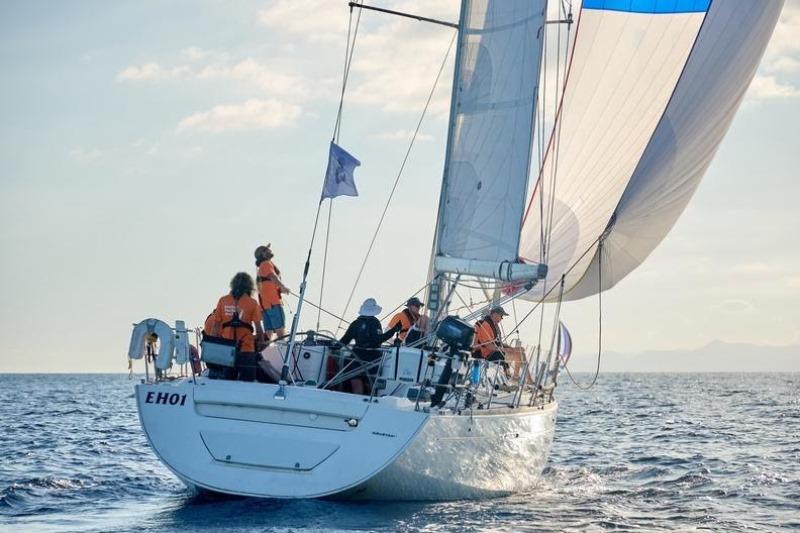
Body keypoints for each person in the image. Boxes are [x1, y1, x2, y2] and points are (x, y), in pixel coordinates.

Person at [338, 298, 402, 394]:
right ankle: (367, 400)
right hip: (372, 357)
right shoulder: (374, 323)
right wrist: (394, 330)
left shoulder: (356, 323)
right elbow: (379, 339)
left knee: (356, 380)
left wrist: (334, 346)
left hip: (357, 356)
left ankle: (355, 399)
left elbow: (345, 340)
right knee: (369, 383)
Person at [209, 272, 265, 380]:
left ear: (233, 284)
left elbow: (216, 326)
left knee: (227, 382)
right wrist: (261, 343)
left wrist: (212, 345)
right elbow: (258, 328)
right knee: (248, 384)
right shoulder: (252, 303)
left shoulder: (223, 301)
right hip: (246, 350)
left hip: (226, 350)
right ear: (250, 286)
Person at [255, 244, 290, 342]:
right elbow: (272, 276)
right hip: (273, 305)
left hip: (264, 307)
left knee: (268, 335)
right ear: (263, 253)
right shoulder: (266, 264)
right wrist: (282, 287)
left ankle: (262, 354)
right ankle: (285, 355)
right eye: (268, 249)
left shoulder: (260, 268)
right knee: (281, 334)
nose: (270, 250)